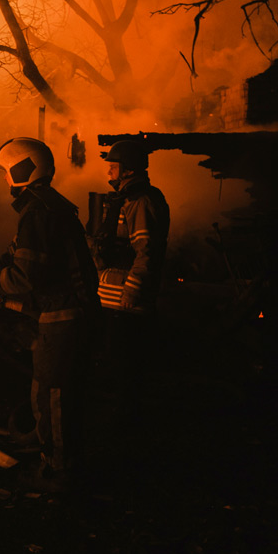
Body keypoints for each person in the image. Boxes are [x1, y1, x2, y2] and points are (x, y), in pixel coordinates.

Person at [0, 137, 99, 487]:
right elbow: (15, 256)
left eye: (6, 171)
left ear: (22, 170)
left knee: (54, 395)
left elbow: (23, 276)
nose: (4, 177)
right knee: (48, 388)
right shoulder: (46, 207)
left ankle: (59, 470)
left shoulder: (37, 213)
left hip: (64, 316)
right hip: (66, 313)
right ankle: (48, 444)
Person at [89, 139, 171, 430]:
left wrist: (133, 290)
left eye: (113, 167)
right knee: (115, 362)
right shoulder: (127, 200)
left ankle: (128, 424)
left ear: (127, 170)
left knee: (127, 367)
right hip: (113, 300)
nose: (109, 173)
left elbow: (146, 251)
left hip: (127, 304)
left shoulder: (142, 202)